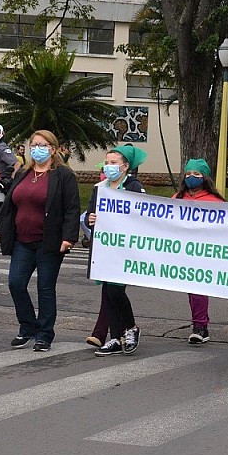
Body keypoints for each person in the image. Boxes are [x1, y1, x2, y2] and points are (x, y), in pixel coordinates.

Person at [0, 130, 81, 351]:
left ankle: (44, 334)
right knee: (16, 284)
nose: (37, 149)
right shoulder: (23, 173)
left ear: (53, 149)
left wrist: (68, 237)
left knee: (45, 288)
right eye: (34, 145)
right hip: (21, 240)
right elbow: (11, 203)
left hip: (49, 242)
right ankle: (27, 327)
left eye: (42, 145)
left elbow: (72, 209)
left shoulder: (63, 175)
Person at [86, 144, 148, 356]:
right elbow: (89, 214)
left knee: (115, 290)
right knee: (108, 292)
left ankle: (130, 327)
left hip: (125, 249)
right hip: (104, 248)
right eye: (107, 162)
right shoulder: (100, 188)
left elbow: (142, 215)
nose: (109, 166)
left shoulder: (133, 187)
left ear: (125, 166)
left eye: (114, 163)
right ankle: (114, 337)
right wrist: (91, 218)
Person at [174, 159, 225, 343]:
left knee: (198, 289)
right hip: (180, 251)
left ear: (204, 178)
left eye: (196, 174)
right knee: (190, 289)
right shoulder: (177, 199)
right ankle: (199, 323)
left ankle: (200, 326)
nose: (191, 178)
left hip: (203, 252)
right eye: (188, 174)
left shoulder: (215, 202)